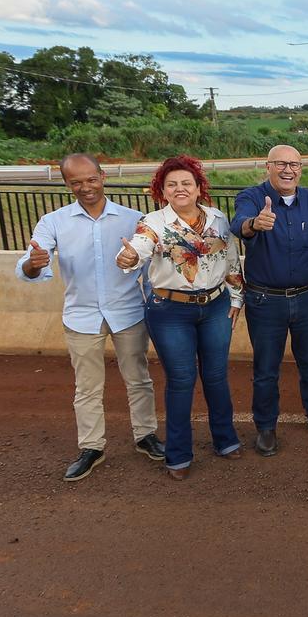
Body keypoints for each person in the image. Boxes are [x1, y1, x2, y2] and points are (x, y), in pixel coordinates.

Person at [17, 153, 162, 482]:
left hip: (128, 313)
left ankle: (145, 436)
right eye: (76, 182)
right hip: (81, 317)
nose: (86, 187)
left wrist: (155, 304)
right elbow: (28, 265)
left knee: (139, 379)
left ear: (103, 176)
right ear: (66, 184)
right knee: (87, 388)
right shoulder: (54, 222)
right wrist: (35, 263)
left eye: (91, 179)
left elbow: (151, 268)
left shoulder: (133, 218)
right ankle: (92, 447)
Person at [116, 155, 244, 479]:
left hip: (215, 306)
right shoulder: (154, 222)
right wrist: (128, 257)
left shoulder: (217, 218)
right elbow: (139, 247)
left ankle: (225, 440)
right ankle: (178, 456)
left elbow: (230, 259)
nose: (180, 189)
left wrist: (237, 297)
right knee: (182, 380)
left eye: (186, 183)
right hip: (170, 311)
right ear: (162, 190)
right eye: (172, 184)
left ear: (199, 187)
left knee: (216, 376)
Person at [233, 144, 308, 456]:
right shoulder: (252, 197)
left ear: (301, 169)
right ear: (268, 166)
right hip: (266, 301)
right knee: (266, 369)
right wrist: (255, 224)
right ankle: (265, 427)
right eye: (281, 164)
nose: (288, 170)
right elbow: (238, 223)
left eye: (294, 164)